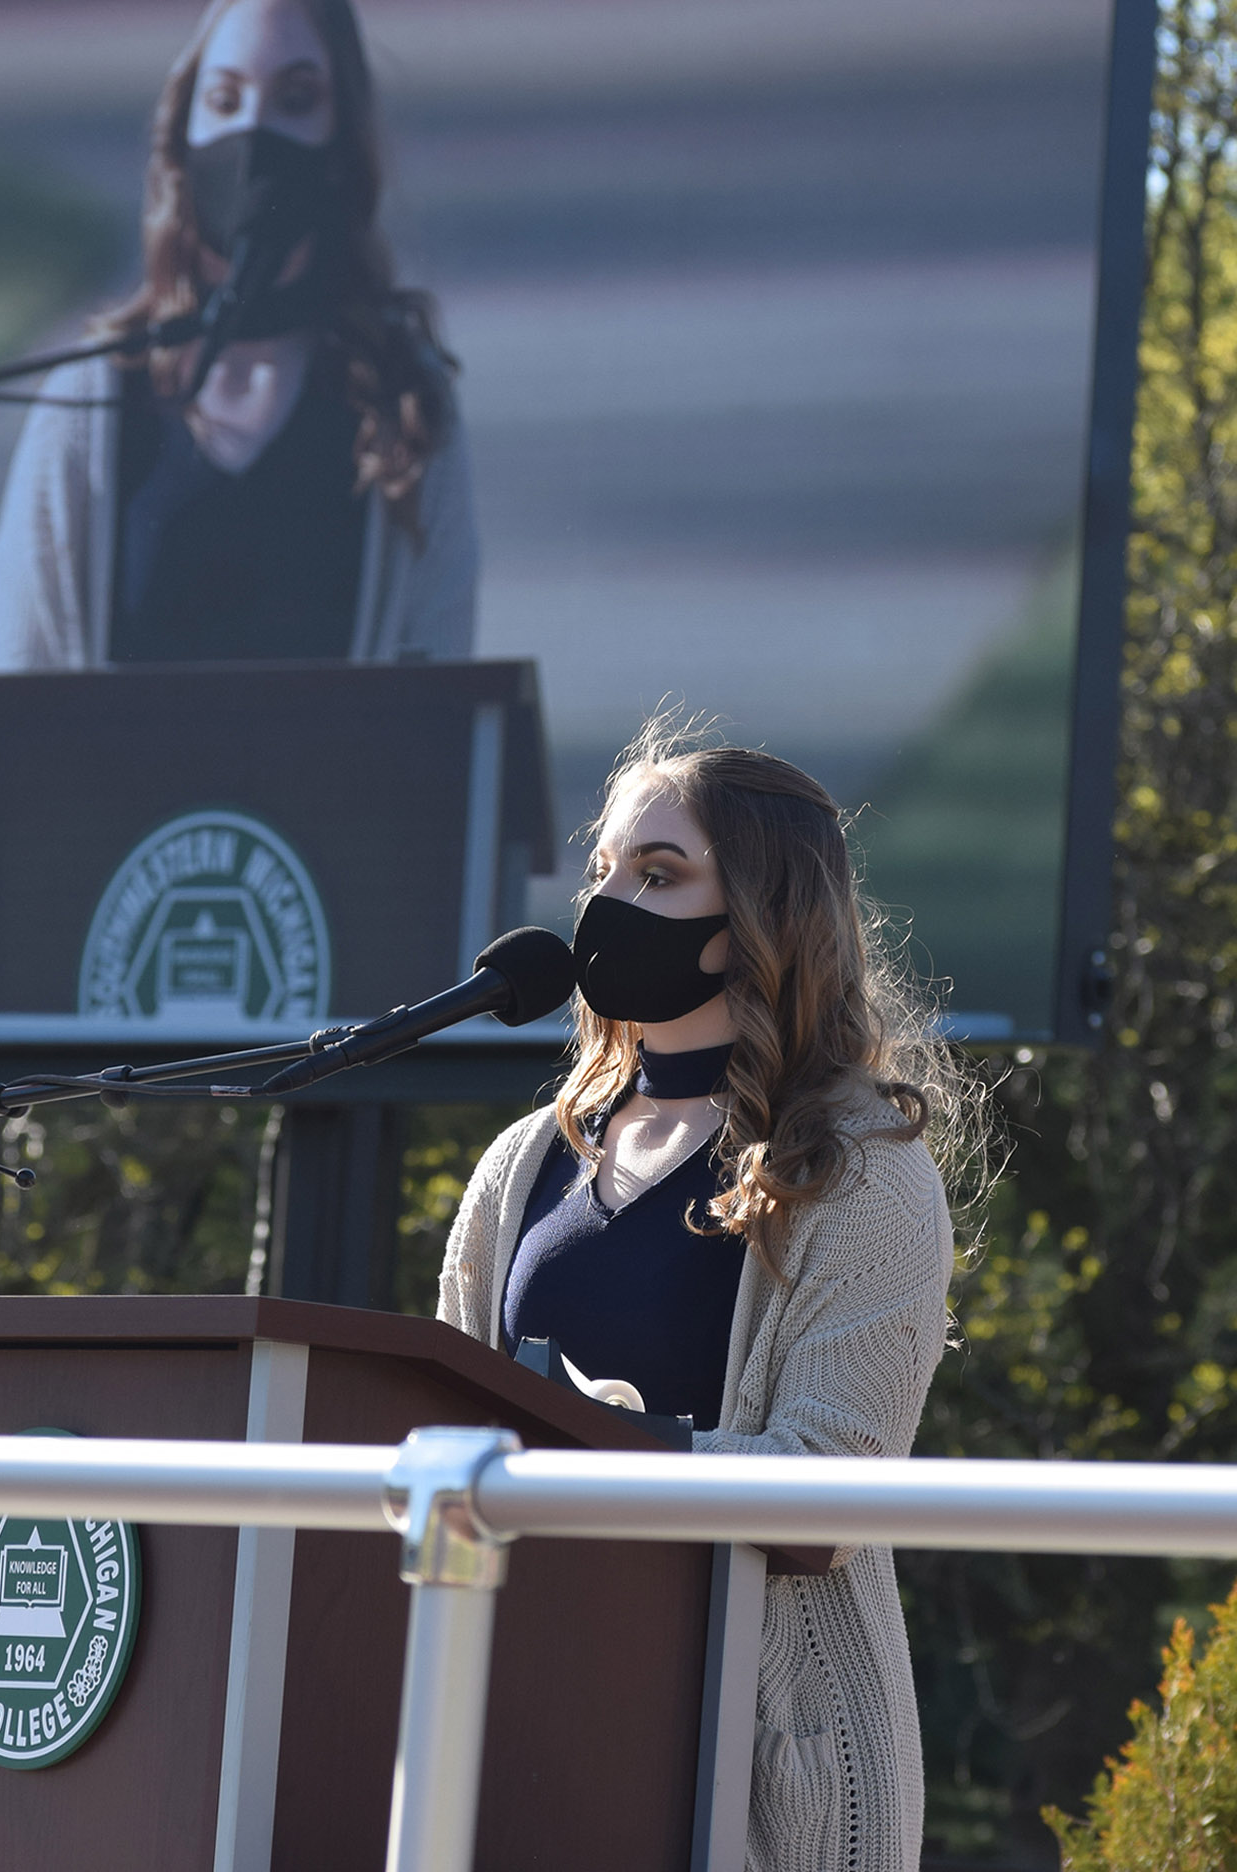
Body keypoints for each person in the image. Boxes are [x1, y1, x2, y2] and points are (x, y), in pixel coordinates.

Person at [437, 726, 978, 1872]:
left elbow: (830, 1497)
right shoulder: (524, 1164)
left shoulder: (863, 1166)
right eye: (605, 873)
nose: (609, 905)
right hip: (519, 1729)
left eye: (660, 874)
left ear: (767, 917)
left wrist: (613, 1441)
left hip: (752, 1768)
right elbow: (442, 1433)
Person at [0, 0, 476, 671]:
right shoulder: (94, 402)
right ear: (183, 136)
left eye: (296, 100)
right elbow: (13, 704)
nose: (254, 132)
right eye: (226, 99)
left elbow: (447, 718)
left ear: (341, 143)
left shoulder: (408, 406)